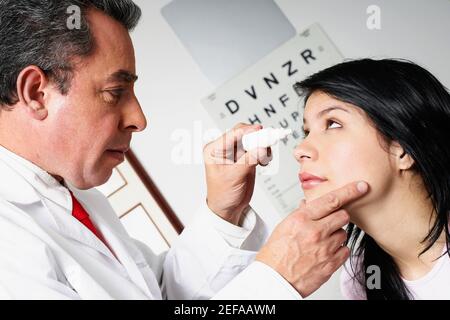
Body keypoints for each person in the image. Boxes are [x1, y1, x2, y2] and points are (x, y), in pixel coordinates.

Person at [0, 0, 368, 299]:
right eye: (115, 92)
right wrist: (275, 282)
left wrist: (224, 211)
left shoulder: (72, 195)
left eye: (333, 125)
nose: (139, 119)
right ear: (36, 93)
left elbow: (163, 296)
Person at [293, 58, 450, 299]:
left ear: (403, 150)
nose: (300, 150)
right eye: (307, 132)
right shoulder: (360, 278)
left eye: (333, 124)